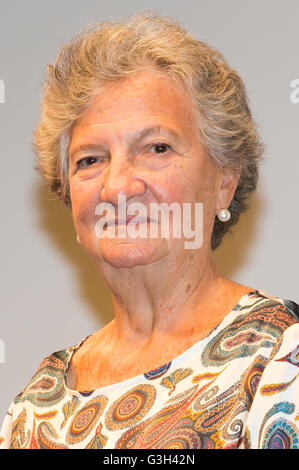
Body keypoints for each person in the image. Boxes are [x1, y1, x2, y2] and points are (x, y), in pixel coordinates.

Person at [0, 11, 298, 450]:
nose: (117, 185)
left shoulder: (279, 360)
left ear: (224, 183)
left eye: (157, 148)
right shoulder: (36, 407)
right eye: (90, 160)